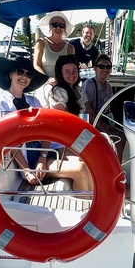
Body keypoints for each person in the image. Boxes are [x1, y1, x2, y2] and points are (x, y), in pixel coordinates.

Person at [0, 55, 52, 185]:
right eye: (20, 72)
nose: (24, 77)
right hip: (23, 158)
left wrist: (42, 159)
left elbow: (47, 131)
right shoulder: (0, 104)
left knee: (81, 165)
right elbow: (6, 139)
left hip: (42, 154)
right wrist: (26, 170)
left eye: (29, 74)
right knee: (79, 170)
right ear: (11, 74)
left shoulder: (34, 101)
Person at [46, 55, 94, 192]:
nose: (71, 74)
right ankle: (86, 201)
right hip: (62, 140)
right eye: (67, 71)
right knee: (85, 164)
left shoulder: (78, 90)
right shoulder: (58, 92)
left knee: (97, 159)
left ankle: (95, 198)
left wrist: (106, 129)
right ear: (60, 73)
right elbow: (62, 121)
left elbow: (90, 113)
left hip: (79, 136)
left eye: (74, 71)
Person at [82, 54, 125, 160]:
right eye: (101, 66)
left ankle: (117, 169)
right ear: (95, 68)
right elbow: (89, 114)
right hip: (89, 123)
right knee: (116, 138)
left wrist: (110, 126)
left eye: (108, 67)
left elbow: (107, 111)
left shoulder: (109, 86)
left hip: (102, 120)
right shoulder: (89, 85)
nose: (105, 69)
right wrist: (105, 130)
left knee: (122, 135)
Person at [34, 11, 75, 77]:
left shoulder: (70, 48)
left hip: (62, 83)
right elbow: (36, 65)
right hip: (43, 81)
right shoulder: (41, 43)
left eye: (61, 25)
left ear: (64, 28)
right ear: (50, 26)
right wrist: (48, 79)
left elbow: (71, 69)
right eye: (55, 25)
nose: (58, 28)